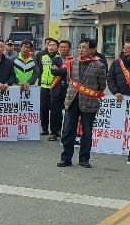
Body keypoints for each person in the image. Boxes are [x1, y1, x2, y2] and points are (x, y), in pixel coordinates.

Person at [55, 38, 107, 168]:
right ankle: (66, 158)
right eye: (79, 47)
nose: (81, 50)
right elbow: (68, 80)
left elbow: (101, 85)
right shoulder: (72, 62)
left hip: (89, 102)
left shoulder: (99, 65)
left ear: (92, 50)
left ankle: (84, 159)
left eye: (84, 47)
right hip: (72, 101)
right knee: (68, 130)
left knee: (87, 132)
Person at [35, 39, 61, 137]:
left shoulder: (60, 58)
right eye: (49, 45)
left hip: (56, 87)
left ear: (57, 47)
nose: (51, 47)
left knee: (56, 110)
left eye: (54, 45)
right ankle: (44, 128)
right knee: (44, 108)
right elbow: (39, 70)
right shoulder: (42, 56)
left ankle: (56, 129)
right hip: (44, 86)